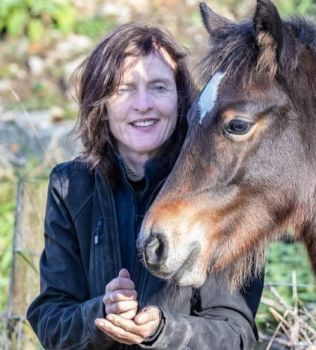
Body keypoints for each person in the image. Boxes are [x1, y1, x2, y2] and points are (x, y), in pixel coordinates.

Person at [27, 22, 264, 349]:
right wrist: (101, 313)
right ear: (101, 104)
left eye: (158, 87)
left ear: (182, 99)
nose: (143, 105)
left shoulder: (224, 187)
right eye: (123, 90)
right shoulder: (71, 186)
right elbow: (50, 318)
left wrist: (163, 331)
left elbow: (237, 334)